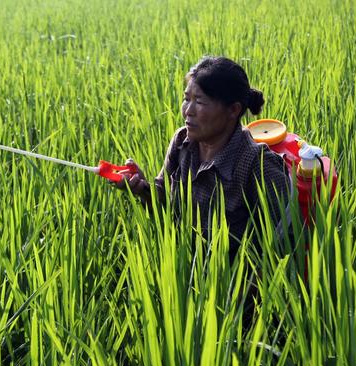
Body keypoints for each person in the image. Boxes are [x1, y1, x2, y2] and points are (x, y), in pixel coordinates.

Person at [116, 56, 291, 258]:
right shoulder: (182, 142)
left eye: (199, 101)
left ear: (233, 110)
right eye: (186, 99)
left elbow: (283, 244)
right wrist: (141, 188)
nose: (187, 111)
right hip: (183, 268)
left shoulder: (257, 165)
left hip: (236, 282)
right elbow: (163, 203)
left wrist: (242, 289)